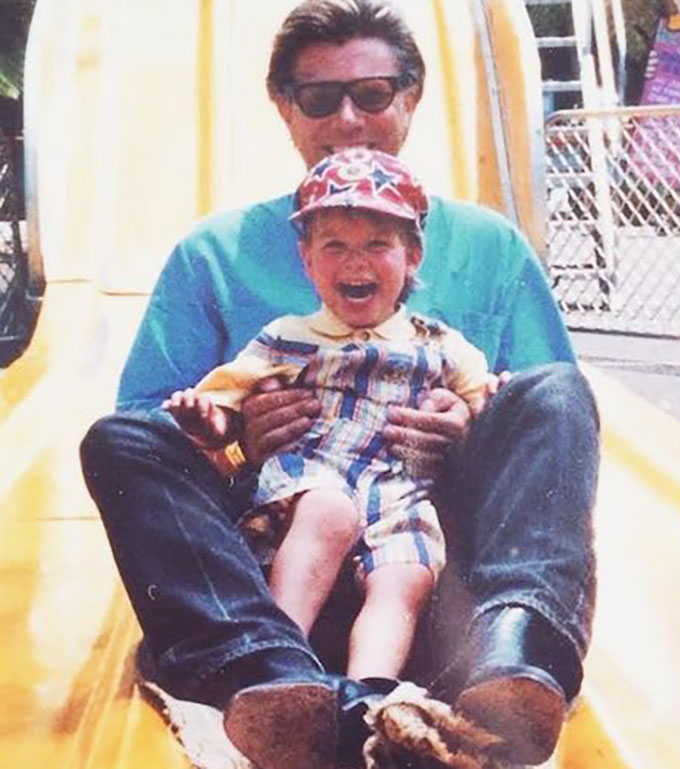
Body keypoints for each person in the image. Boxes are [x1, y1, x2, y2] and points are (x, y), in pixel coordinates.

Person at [80, 1, 599, 767]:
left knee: (558, 391)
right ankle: (269, 680)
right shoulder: (214, 253)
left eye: (375, 92)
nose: (348, 118)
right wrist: (237, 441)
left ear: (413, 99)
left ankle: (515, 646)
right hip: (276, 572)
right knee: (119, 441)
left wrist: (468, 437)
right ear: (283, 108)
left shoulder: (491, 246)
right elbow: (153, 433)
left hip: (435, 567)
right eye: (319, 97)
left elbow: (538, 426)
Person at [164, 149, 489, 683]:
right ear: (308, 262)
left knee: (407, 573)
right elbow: (228, 406)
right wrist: (208, 422)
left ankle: (368, 692)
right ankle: (277, 664)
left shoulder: (440, 344)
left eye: (377, 245)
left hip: (397, 493)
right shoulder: (288, 337)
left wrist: (477, 410)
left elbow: (482, 400)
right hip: (315, 481)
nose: (355, 262)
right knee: (330, 514)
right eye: (334, 246)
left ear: (412, 257)